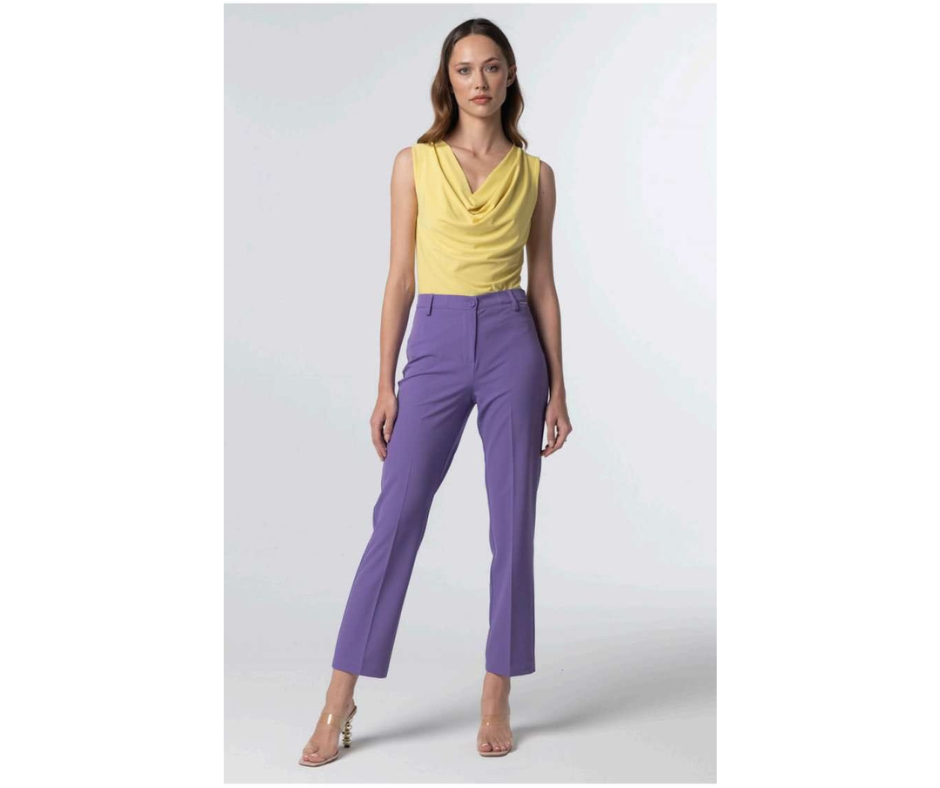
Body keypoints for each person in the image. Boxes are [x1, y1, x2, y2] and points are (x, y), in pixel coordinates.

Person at [299, 17, 572, 766]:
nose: (479, 81)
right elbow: (400, 278)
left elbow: (544, 285)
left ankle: (497, 691)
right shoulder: (413, 163)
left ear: (510, 76)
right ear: (447, 80)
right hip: (437, 341)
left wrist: (558, 387)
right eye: (464, 69)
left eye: (491, 67)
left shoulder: (537, 175)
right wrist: (384, 384)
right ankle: (338, 701)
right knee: (396, 518)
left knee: (512, 522)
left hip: (513, 340)